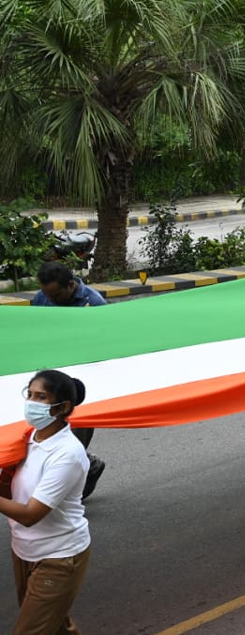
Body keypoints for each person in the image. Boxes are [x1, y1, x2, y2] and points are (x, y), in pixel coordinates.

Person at [1, 370, 91, 634]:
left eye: (40, 397)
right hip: (24, 550)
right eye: (29, 394)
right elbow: (11, 491)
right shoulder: (28, 438)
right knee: (56, 627)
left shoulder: (68, 454)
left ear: (62, 407)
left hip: (58, 557)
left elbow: (31, 514)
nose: (31, 402)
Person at [30, 262, 107, 500]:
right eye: (47, 294)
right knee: (45, 430)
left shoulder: (94, 304)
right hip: (51, 375)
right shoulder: (42, 298)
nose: (50, 299)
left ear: (71, 285)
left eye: (55, 294)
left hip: (80, 379)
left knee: (75, 432)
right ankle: (86, 466)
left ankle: (67, 485)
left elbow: (106, 340)